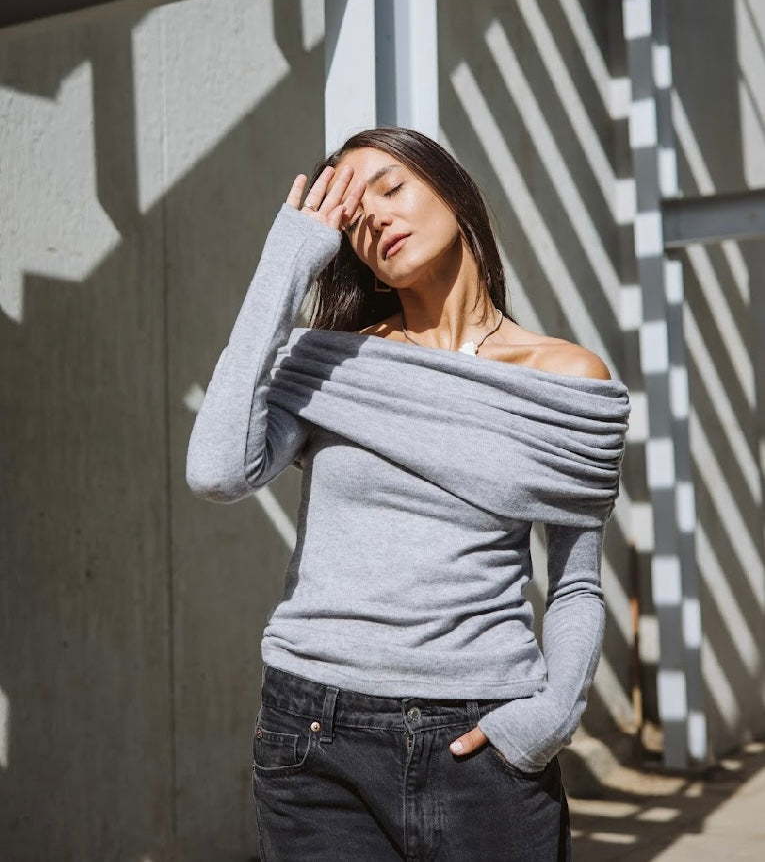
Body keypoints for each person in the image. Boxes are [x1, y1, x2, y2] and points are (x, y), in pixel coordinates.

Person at [186, 127, 630, 861]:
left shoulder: (566, 378)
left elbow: (577, 580)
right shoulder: (332, 364)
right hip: (315, 733)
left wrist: (548, 717)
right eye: (353, 219)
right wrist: (286, 263)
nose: (378, 218)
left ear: (453, 192)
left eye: (390, 189)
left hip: (481, 741)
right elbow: (215, 471)